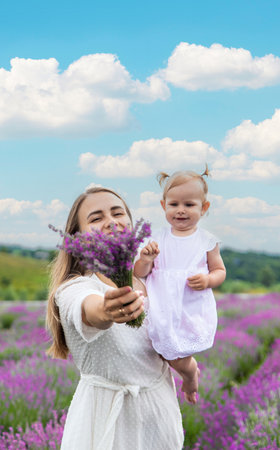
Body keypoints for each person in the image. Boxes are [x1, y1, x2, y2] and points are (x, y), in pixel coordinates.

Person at [46, 187, 184, 450]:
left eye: (118, 213)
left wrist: (188, 368)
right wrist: (109, 310)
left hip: (160, 419)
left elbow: (163, 343)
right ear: (79, 238)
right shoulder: (74, 289)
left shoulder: (149, 280)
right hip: (106, 424)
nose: (111, 221)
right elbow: (91, 309)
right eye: (96, 218)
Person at [134, 168, 226, 404]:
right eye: (174, 204)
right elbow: (140, 274)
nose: (181, 210)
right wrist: (145, 260)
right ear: (164, 206)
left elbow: (220, 271)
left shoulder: (206, 241)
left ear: (203, 208)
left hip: (189, 306)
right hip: (162, 306)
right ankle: (187, 373)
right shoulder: (157, 239)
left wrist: (207, 280)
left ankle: (190, 374)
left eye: (189, 204)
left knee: (177, 354)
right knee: (161, 352)